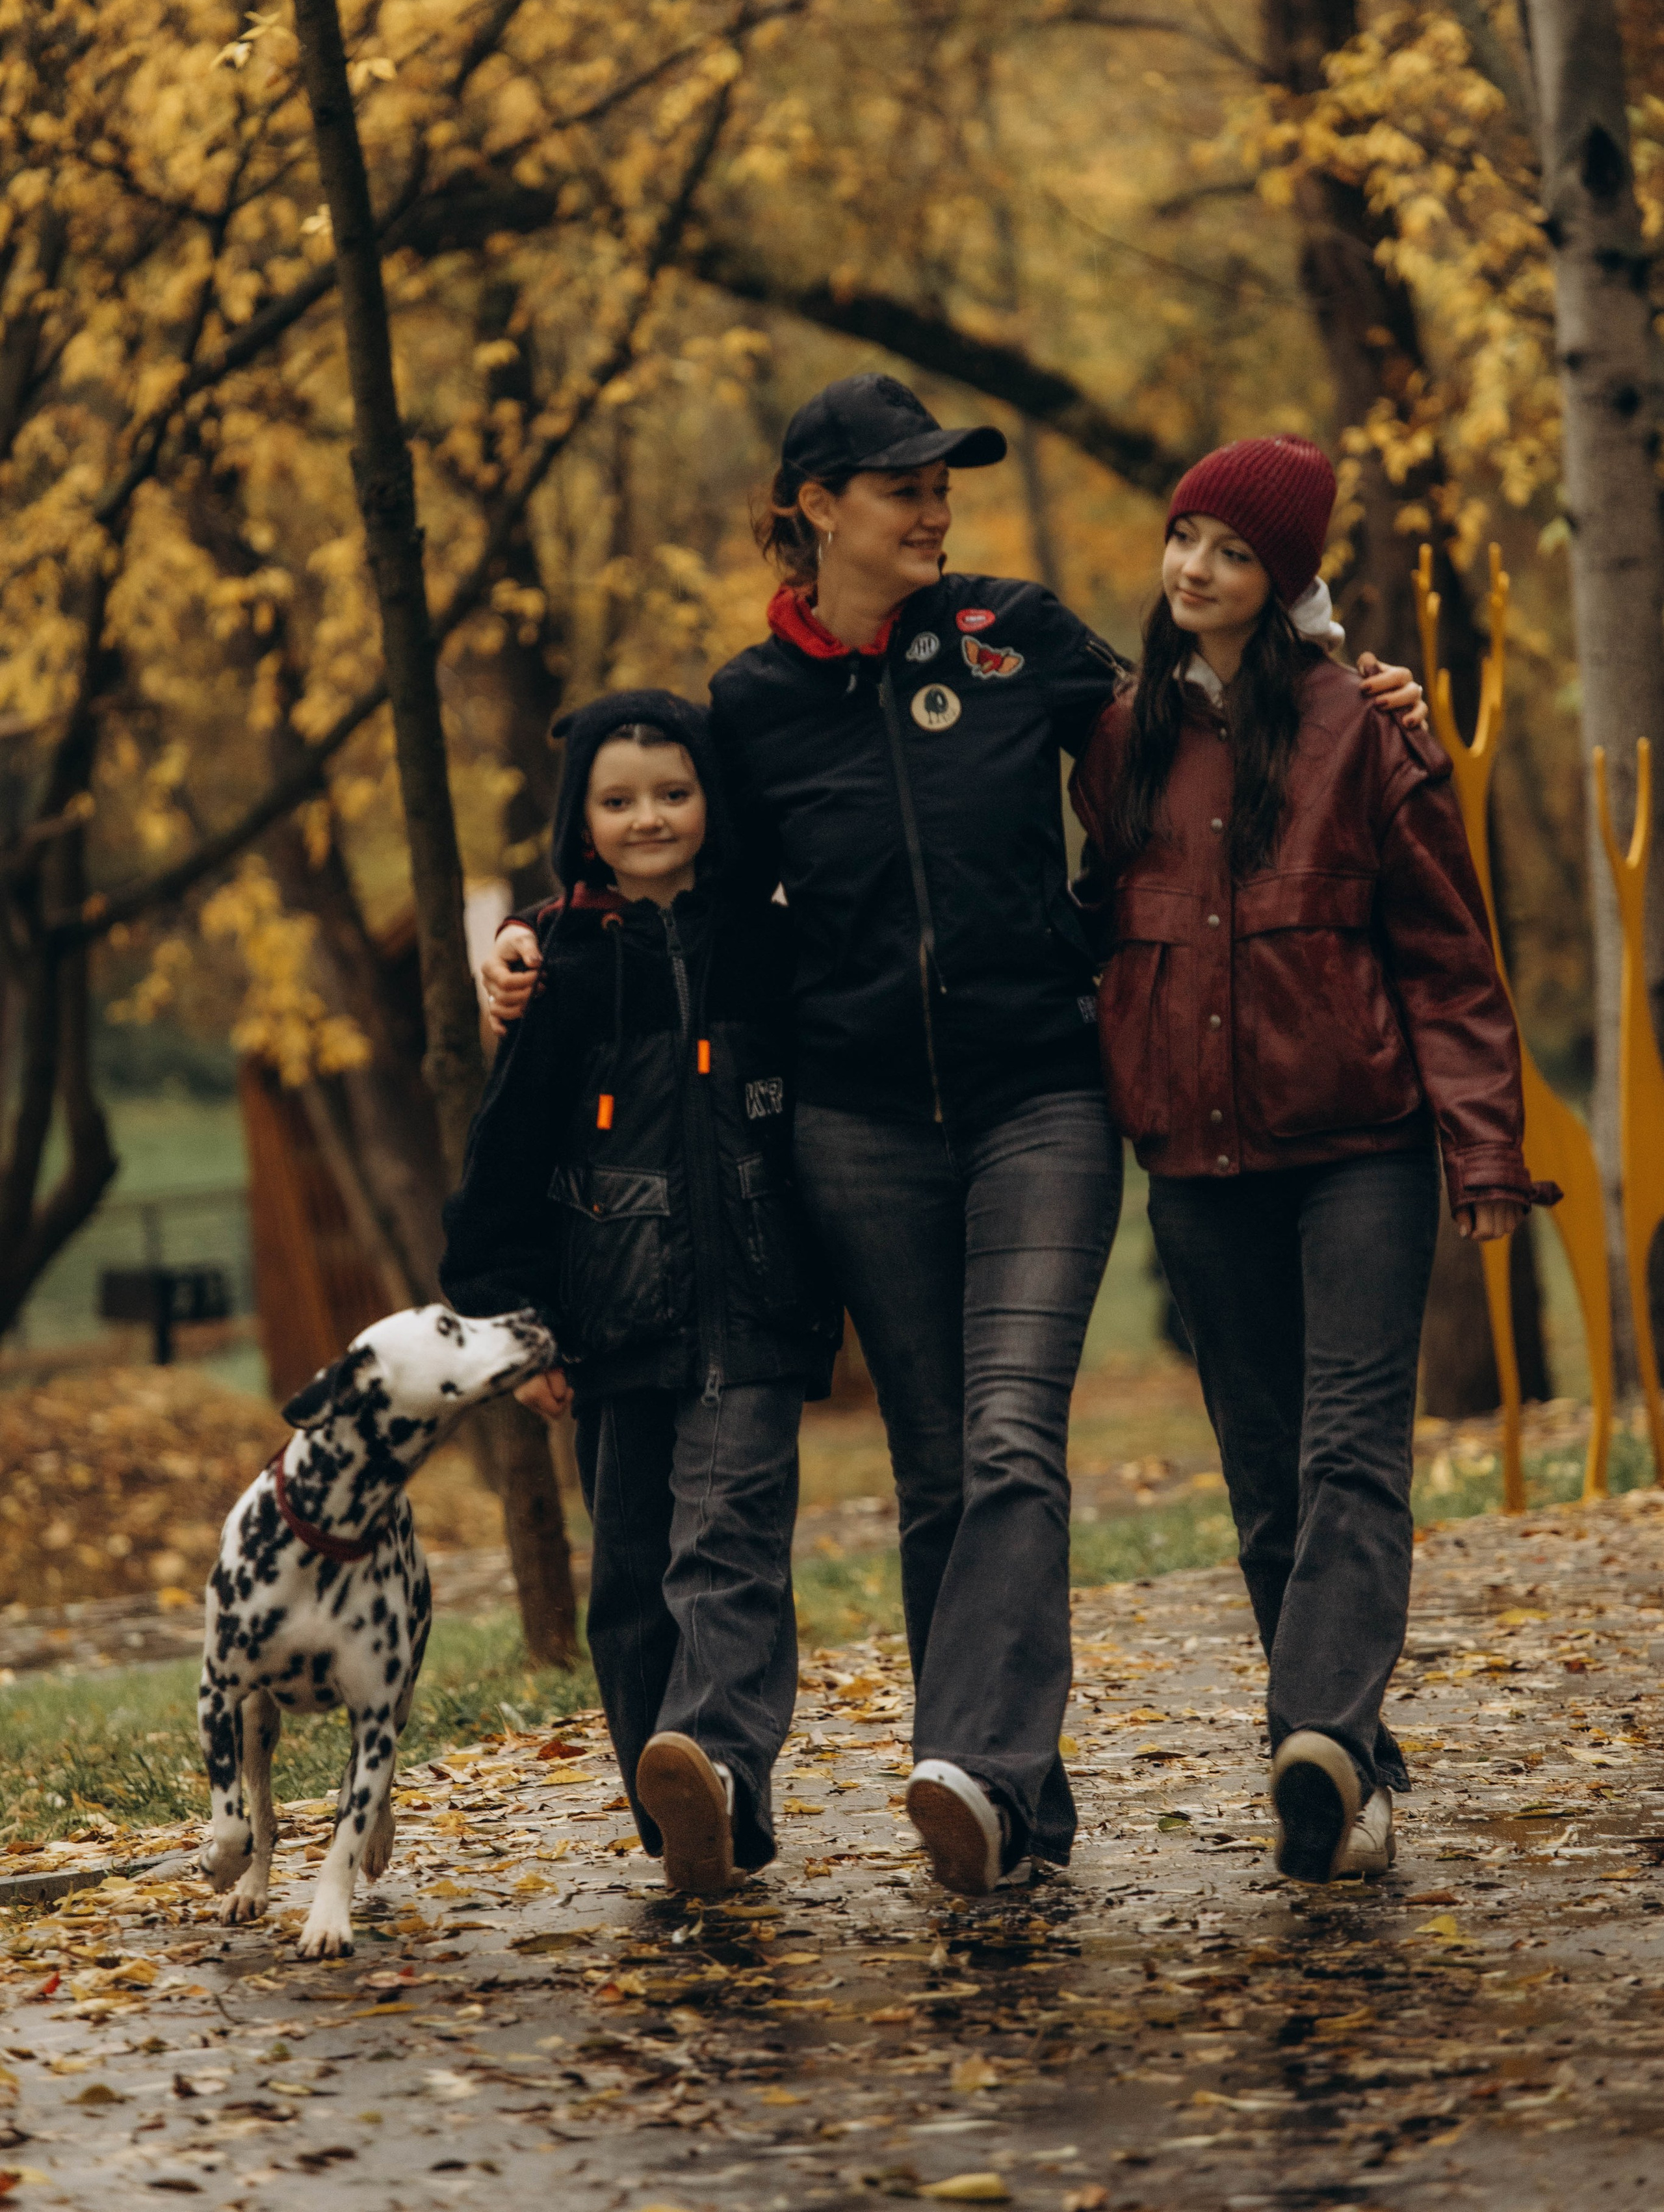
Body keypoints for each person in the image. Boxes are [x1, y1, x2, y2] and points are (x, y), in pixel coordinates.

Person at [482, 374, 1425, 1899]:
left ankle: (975, 1759)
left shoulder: (1014, 633)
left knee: (1006, 1438)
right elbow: (677, 881)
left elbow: (1191, 729)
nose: (935, 509)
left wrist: (1344, 694)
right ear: (816, 507)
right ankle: (1011, 1807)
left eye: (944, 485)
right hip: (855, 1123)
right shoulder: (748, 705)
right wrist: (540, 938)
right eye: (902, 485)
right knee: (935, 1471)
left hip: (1037, 1095)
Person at [1070, 436, 1556, 1886]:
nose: (1195, 568)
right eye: (1184, 538)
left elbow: (1447, 962)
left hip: (1360, 1148)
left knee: (1350, 1450)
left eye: (1233, 552)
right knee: (1265, 1477)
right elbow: (1098, 923)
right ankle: (1348, 1773)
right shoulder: (1122, 737)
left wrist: (1482, 1150)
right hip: (1197, 1162)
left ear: (1282, 578)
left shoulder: (1366, 727)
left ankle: (1318, 1737)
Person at [441, 690, 841, 1898]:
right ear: (583, 820)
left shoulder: (765, 945)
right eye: (619, 800)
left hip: (755, 1308)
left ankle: (719, 1766)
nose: (649, 817)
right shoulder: (558, 968)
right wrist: (515, 1328)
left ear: (712, 801)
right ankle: (676, 1810)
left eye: (674, 792)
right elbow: (505, 1159)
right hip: (610, 1320)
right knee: (631, 1580)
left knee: (730, 1547)